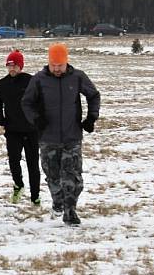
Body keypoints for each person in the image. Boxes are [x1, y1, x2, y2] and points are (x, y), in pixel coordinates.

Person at [21, 43, 101, 226]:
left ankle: (70, 211)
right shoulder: (39, 80)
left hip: (72, 137)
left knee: (73, 177)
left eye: (60, 65)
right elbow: (26, 103)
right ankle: (58, 199)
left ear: (66, 62)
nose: (57, 69)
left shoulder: (78, 77)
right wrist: (36, 119)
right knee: (53, 176)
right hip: (47, 138)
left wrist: (91, 117)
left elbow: (94, 95)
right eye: (53, 65)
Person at [0, 50, 40, 206]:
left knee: (33, 164)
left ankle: (35, 196)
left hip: (32, 130)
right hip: (12, 130)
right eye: (9, 66)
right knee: (13, 161)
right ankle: (18, 185)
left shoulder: (31, 81)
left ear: (21, 66)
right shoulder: (1, 85)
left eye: (15, 65)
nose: (12, 69)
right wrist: (1, 119)